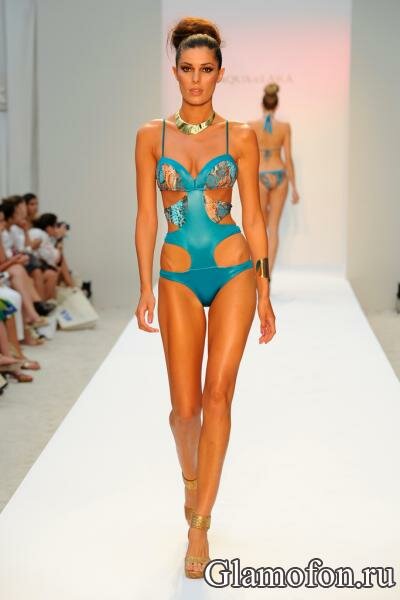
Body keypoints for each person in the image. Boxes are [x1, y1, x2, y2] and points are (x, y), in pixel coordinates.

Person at [134, 16, 276, 579]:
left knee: (218, 396)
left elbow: (255, 218)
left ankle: (200, 525)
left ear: (220, 74)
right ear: (175, 72)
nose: (197, 79)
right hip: (176, 277)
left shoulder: (241, 136)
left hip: (234, 268)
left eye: (206, 70)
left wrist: (264, 289)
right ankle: (192, 482)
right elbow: (147, 217)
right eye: (188, 69)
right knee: (185, 411)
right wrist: (143, 284)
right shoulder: (151, 137)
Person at [248, 83, 300, 273]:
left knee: (260, 227)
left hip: (260, 175)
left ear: (262, 104)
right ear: (276, 105)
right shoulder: (284, 127)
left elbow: (248, 157)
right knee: (273, 228)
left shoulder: (251, 126)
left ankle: (260, 275)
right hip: (280, 175)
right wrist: (294, 187)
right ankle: (267, 275)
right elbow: (288, 158)